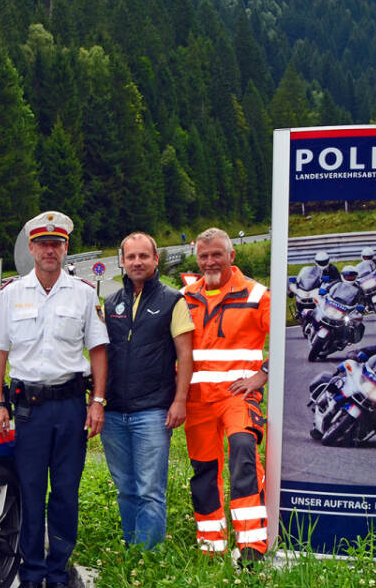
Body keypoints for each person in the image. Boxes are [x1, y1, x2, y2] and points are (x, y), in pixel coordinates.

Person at [0, 211, 109, 588]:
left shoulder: (85, 294)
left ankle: (58, 571)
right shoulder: (11, 294)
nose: (49, 250)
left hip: (71, 407)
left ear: (65, 248)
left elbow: (99, 350)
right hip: (29, 411)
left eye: (56, 244)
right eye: (43, 244)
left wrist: (98, 402)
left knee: (66, 493)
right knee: (31, 491)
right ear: (32, 249)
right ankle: (31, 571)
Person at [101, 232, 194, 549]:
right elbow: (102, 355)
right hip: (114, 413)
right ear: (122, 261)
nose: (137, 262)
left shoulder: (173, 300)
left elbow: (185, 355)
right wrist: (96, 401)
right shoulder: (111, 303)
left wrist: (179, 400)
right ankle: (131, 547)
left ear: (156, 259)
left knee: (150, 489)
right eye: (131, 257)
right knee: (125, 488)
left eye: (144, 256)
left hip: (153, 411)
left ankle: (147, 556)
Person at [183, 228, 270, 564]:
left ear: (231, 256)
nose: (209, 261)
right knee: (204, 469)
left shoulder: (257, 295)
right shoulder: (186, 296)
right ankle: (211, 544)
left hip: (238, 396)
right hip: (198, 400)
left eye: (216, 254)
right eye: (203, 256)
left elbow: (287, 337)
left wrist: (263, 375)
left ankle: (251, 546)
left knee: (243, 453)